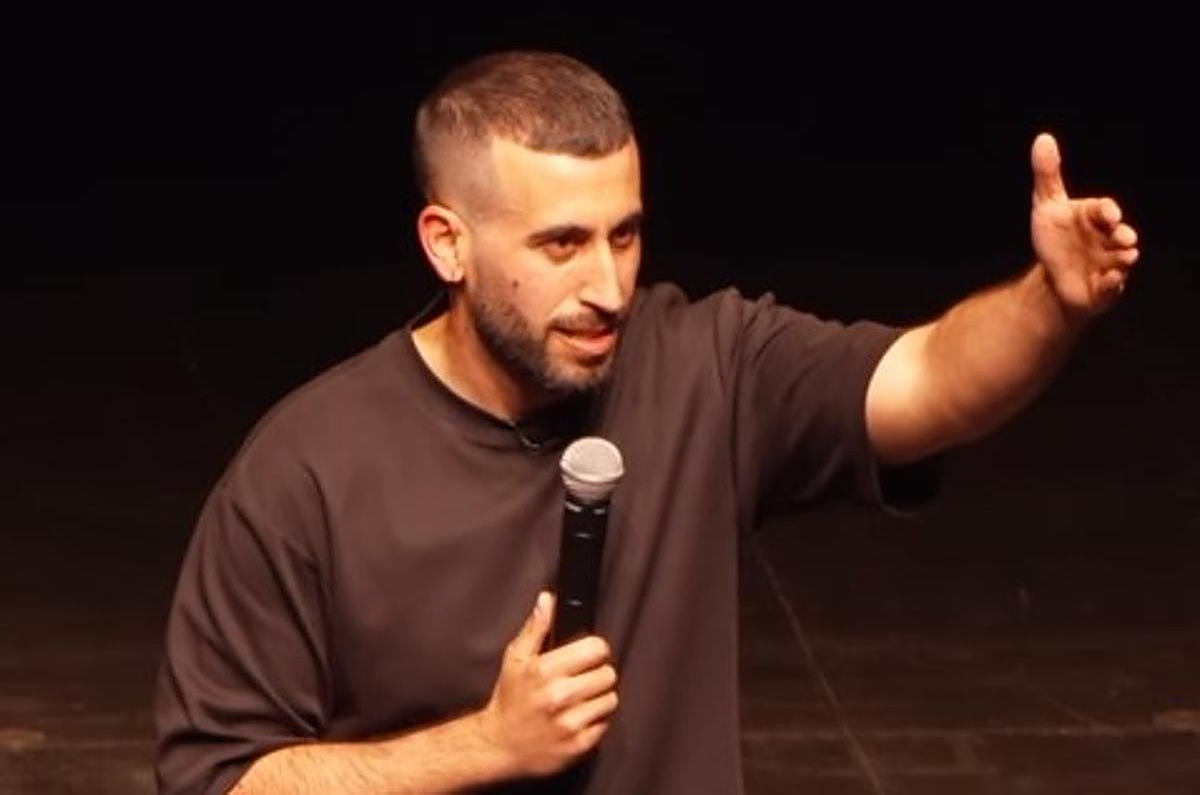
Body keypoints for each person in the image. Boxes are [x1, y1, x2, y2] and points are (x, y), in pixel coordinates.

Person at [154, 50, 1140, 794]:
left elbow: (928, 381)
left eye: (624, 235)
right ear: (447, 244)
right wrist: (482, 746)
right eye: (561, 245)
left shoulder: (705, 366)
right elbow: (221, 782)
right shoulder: (308, 471)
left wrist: (1048, 304)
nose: (608, 285)